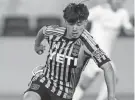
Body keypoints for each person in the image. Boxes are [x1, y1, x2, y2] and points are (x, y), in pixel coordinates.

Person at [23, 3, 117, 100]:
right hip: (44, 81)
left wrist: (111, 96)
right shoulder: (55, 32)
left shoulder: (89, 44)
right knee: (29, 97)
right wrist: (37, 45)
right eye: (71, 24)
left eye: (79, 24)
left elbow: (108, 67)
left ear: (85, 22)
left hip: (63, 93)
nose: (75, 28)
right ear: (66, 22)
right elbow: (43, 30)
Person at [73, 0, 133, 100]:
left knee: (85, 83)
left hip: (105, 54)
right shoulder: (99, 10)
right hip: (93, 50)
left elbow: (128, 29)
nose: (120, 2)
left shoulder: (123, 13)